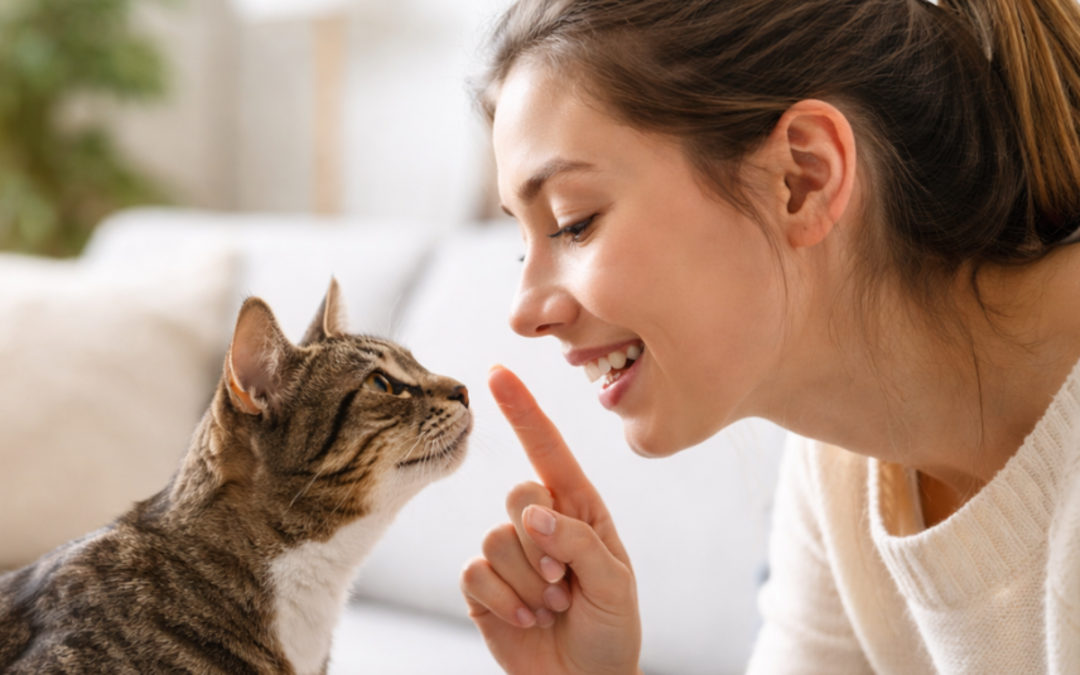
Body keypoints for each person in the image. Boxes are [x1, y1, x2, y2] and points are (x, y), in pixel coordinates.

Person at [457, 0, 1080, 673]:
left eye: (575, 222)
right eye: (523, 246)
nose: (525, 312)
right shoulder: (844, 469)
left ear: (802, 178)